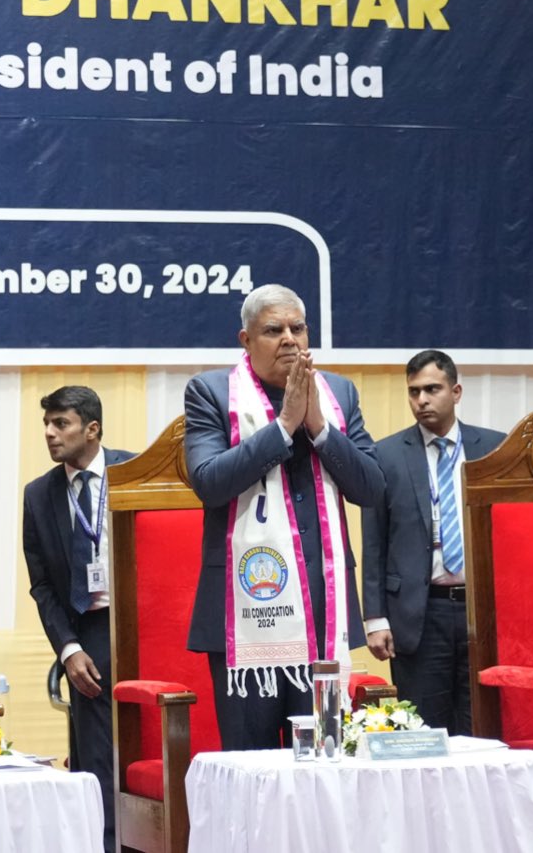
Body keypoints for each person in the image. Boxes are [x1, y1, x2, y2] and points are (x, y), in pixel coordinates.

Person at [183, 285, 385, 751]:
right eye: (274, 330)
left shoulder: (338, 393)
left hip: (323, 611)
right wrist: (283, 427)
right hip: (246, 608)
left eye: (299, 328)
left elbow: (371, 487)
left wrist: (318, 427)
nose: (290, 340)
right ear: (246, 340)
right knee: (253, 766)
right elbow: (209, 482)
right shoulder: (210, 392)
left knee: (326, 758)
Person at [361, 351, 504, 734]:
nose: (421, 400)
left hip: (481, 612)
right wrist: (374, 619)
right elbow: (373, 541)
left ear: (455, 392)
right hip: (418, 614)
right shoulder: (385, 455)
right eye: (413, 392)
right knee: (422, 731)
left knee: (480, 727)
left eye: (432, 389)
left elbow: (509, 536)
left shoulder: (495, 449)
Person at [22, 386, 131, 852]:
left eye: (60, 423)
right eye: (46, 423)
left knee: (151, 743)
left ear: (92, 429)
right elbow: (42, 586)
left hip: (139, 627)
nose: (49, 433)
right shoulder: (39, 495)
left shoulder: (135, 472)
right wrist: (68, 648)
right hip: (86, 636)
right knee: (99, 761)